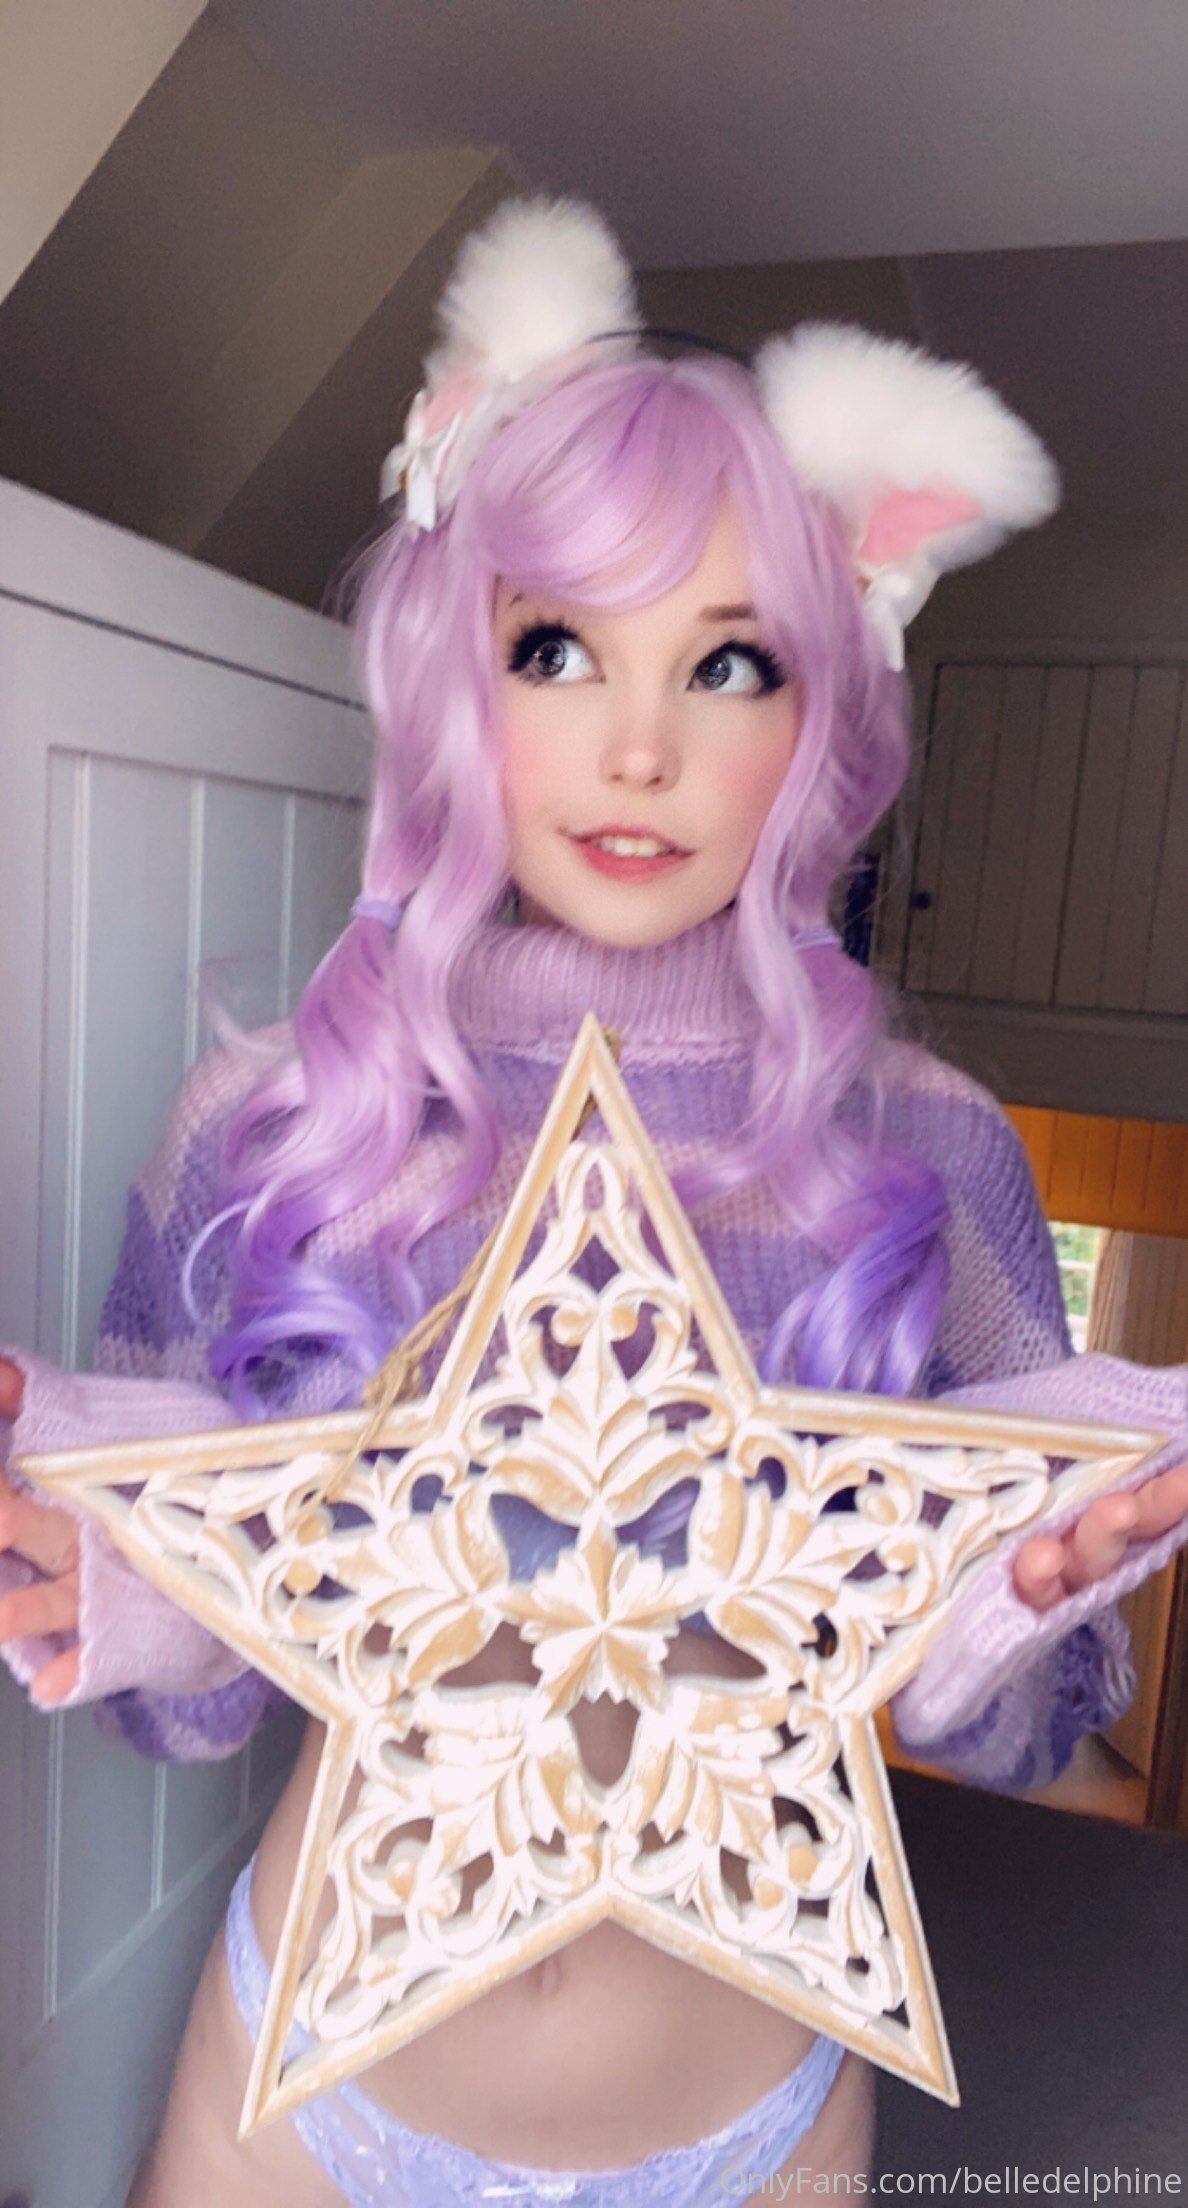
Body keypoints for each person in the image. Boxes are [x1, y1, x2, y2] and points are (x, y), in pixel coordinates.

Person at [2, 198, 1186, 2208]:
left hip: (756, 2128)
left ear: (823, 706)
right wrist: (120, 1579)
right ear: (455, 674)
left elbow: (1021, 1740)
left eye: (730, 661)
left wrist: (997, 1603)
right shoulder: (272, 1125)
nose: (640, 745)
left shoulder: (929, 1149)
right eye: (556, 647)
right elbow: (192, 1716)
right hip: (301, 2104)